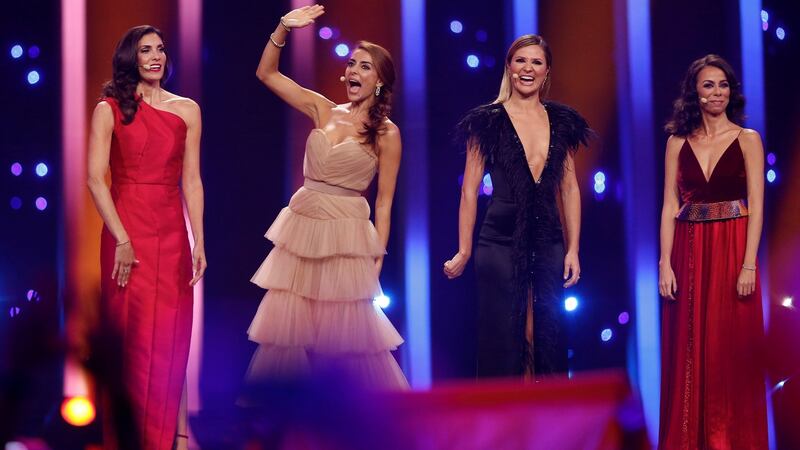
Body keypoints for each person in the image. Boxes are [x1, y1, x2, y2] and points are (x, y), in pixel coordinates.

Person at [243, 4, 407, 389]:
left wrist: (376, 259)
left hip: (346, 236)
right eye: (352, 64)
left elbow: (384, 203)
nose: (354, 71)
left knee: (346, 339)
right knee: (288, 332)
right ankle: (287, 416)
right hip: (303, 227)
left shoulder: (387, 134)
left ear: (380, 81)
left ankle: (354, 416)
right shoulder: (323, 108)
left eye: (365, 67)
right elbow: (266, 73)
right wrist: (283, 27)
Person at [86, 25, 206, 450]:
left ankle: (176, 439)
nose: (155, 57)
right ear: (130, 59)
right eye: (145, 50)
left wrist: (199, 240)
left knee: (172, 338)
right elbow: (94, 179)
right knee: (131, 338)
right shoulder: (109, 109)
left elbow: (192, 180)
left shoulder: (187, 109)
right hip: (126, 230)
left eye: (160, 49)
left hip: (171, 232)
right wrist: (121, 238)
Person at [444, 34, 590, 378]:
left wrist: (573, 249)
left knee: (547, 334)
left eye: (536, 62)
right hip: (499, 240)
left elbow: (569, 188)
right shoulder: (487, 121)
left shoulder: (561, 122)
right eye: (521, 60)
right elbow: (469, 190)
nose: (528, 68)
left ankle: (546, 407)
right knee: (504, 336)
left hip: (548, 239)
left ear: (547, 70)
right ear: (509, 67)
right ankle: (505, 408)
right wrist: (464, 250)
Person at [658, 54, 767, 448]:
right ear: (695, 92)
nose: (717, 92)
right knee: (688, 345)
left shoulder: (748, 139)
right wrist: (664, 263)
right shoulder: (676, 143)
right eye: (709, 85)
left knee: (728, 345)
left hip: (733, 247)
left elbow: (756, 204)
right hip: (687, 249)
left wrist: (749, 264)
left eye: (723, 85)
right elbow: (670, 205)